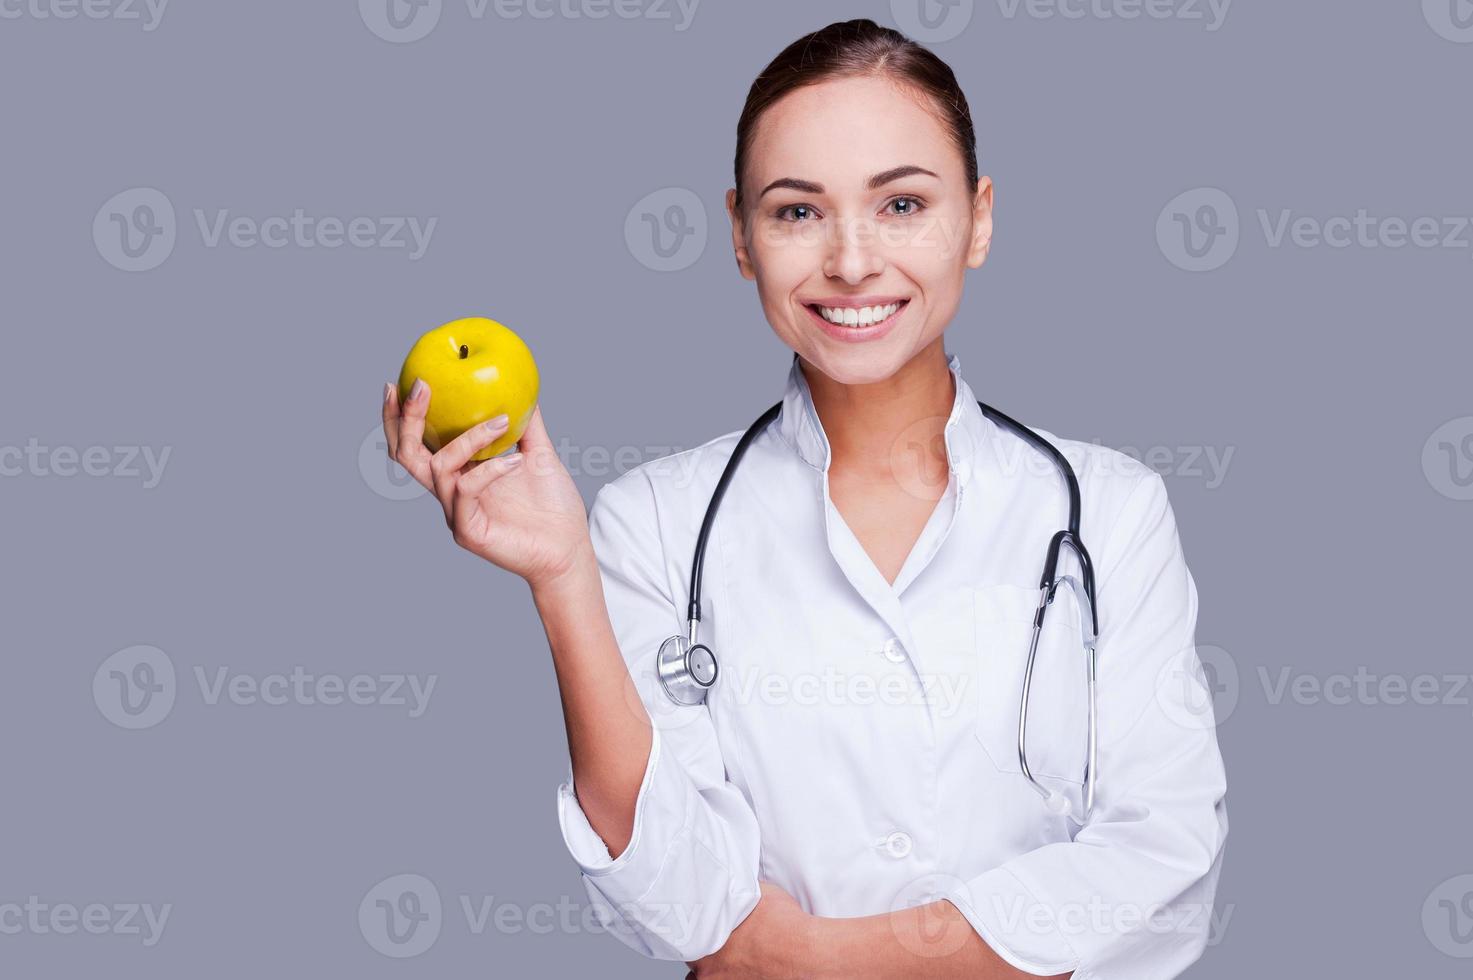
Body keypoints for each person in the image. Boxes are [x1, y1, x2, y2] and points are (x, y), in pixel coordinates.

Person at [380, 18, 1227, 979]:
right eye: (796, 213)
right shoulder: (654, 521)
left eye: (902, 204)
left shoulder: (1109, 512)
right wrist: (561, 576)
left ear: (979, 219)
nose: (853, 261)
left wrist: (822, 962)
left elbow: (1158, 864)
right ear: (741, 236)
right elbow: (676, 898)